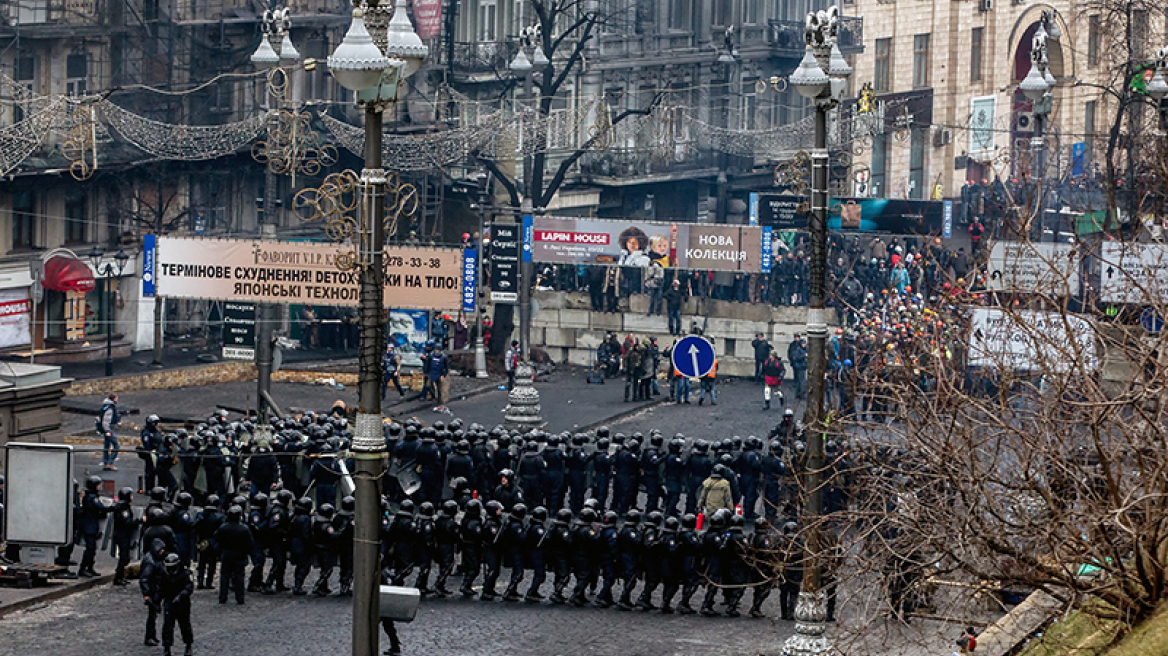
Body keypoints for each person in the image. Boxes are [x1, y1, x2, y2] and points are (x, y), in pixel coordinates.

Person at [213, 505, 253, 605]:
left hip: (227, 553)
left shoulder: (224, 527)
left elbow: (216, 537)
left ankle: (223, 597)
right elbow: (250, 543)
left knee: (225, 576)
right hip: (240, 554)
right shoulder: (244, 528)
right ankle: (240, 598)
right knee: (239, 577)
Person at [156, 553, 195, 656]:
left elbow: (189, 587)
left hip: (182, 602)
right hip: (169, 600)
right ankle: (167, 647)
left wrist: (181, 595)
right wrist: (156, 601)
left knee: (185, 625)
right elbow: (160, 588)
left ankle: (188, 645)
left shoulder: (185, 573)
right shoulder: (164, 573)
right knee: (168, 626)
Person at [78, 475, 109, 577]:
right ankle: (83, 568)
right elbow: (101, 507)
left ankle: (90, 567)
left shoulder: (90, 496)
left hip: (91, 525)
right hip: (89, 526)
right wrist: (113, 507)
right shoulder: (91, 498)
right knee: (90, 548)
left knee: (92, 548)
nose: (100, 487)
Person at [140, 538, 169, 647]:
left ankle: (152, 635)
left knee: (153, 615)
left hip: (154, 590)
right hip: (152, 591)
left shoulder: (153, 559)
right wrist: (146, 594)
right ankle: (149, 636)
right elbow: (144, 579)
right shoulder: (151, 562)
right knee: (152, 615)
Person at [111, 487, 140, 586]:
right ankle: (118, 577)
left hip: (122, 533)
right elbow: (127, 522)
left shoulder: (122, 506)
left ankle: (121, 576)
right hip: (122, 534)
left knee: (125, 556)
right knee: (123, 556)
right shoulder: (123, 508)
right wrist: (138, 521)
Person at [98, 393, 121, 471]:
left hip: (106, 428)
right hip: (108, 428)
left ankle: (105, 463)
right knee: (116, 445)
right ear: (114, 399)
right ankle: (110, 463)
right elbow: (106, 420)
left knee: (107, 446)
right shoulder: (110, 408)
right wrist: (107, 430)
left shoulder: (105, 406)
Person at [787, 334, 808, 399]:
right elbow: (797, 357)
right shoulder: (798, 350)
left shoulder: (804, 350)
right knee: (802, 381)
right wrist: (804, 356)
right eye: (803, 343)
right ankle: (801, 394)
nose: (804, 345)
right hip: (800, 367)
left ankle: (798, 393)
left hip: (803, 366)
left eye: (805, 343)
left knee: (800, 381)